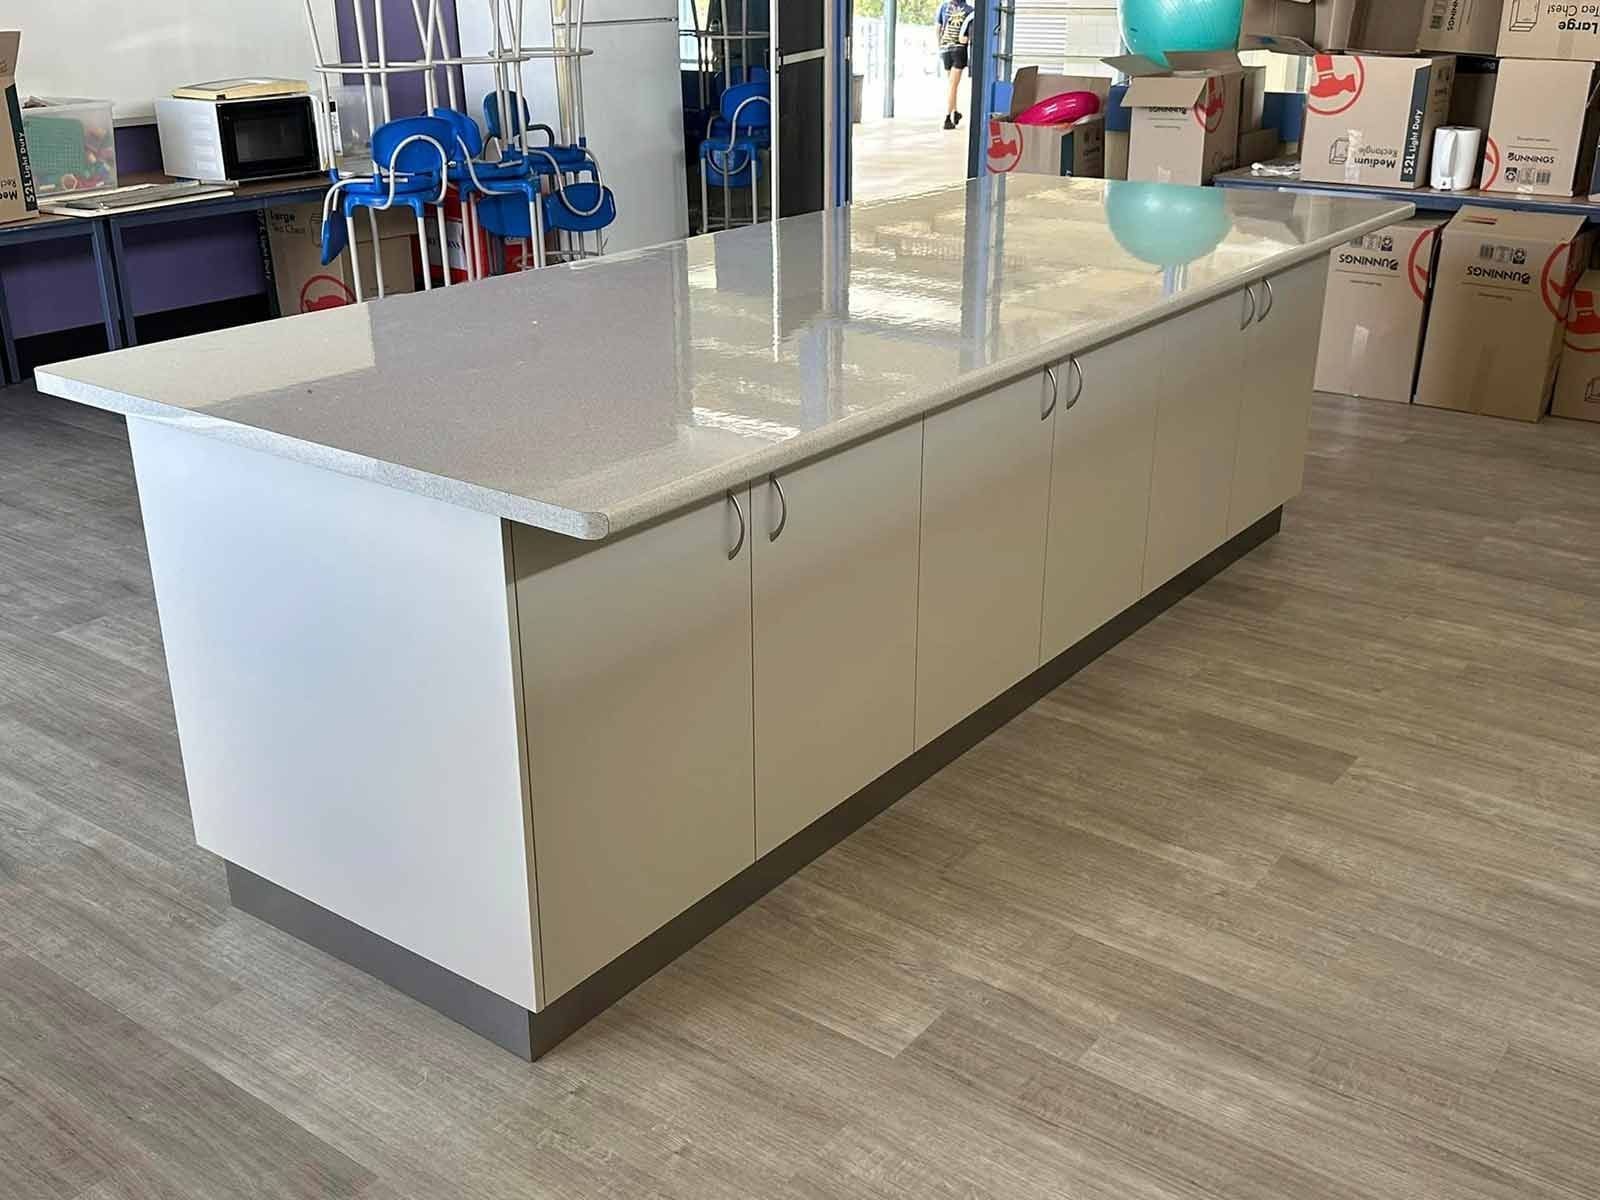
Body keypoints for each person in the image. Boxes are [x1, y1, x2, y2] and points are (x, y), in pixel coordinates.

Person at [937, 0, 974, 131]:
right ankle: (947, 117)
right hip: (958, 50)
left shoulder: (943, 6)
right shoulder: (970, 10)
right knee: (953, 85)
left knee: (952, 85)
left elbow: (938, 28)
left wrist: (940, 46)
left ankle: (955, 112)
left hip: (945, 49)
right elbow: (968, 37)